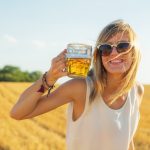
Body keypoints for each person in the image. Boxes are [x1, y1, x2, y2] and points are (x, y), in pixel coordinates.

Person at [10, 19, 144, 150]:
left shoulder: (137, 90)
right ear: (99, 55)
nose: (114, 53)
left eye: (123, 46)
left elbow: (127, 140)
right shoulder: (81, 88)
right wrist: (49, 78)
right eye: (106, 48)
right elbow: (17, 113)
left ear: (135, 52)